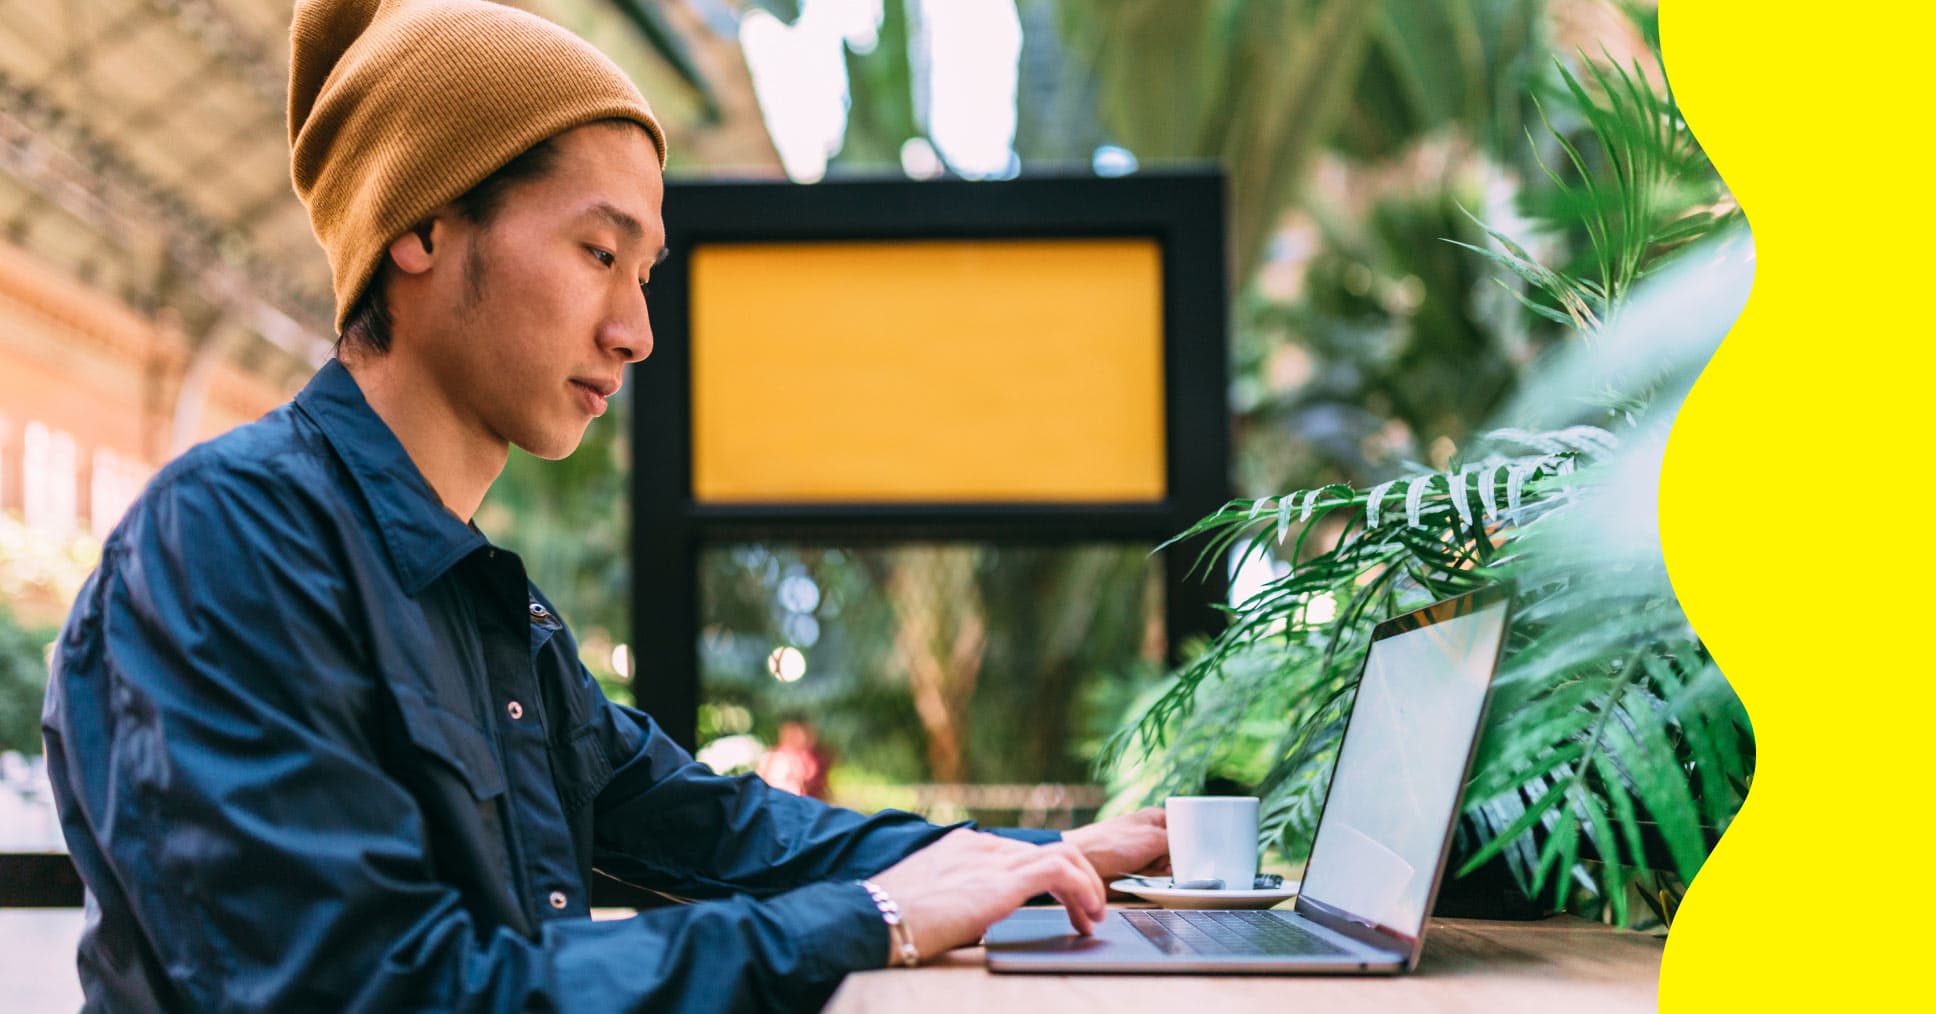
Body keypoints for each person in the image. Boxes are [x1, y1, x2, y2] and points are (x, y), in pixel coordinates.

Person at [37, 1, 1168, 1010]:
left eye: (644, 274)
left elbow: (722, 830)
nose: (636, 332)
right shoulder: (229, 541)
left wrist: (1025, 857)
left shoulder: (479, 605)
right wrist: (878, 917)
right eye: (596, 252)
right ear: (420, 227)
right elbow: (382, 989)